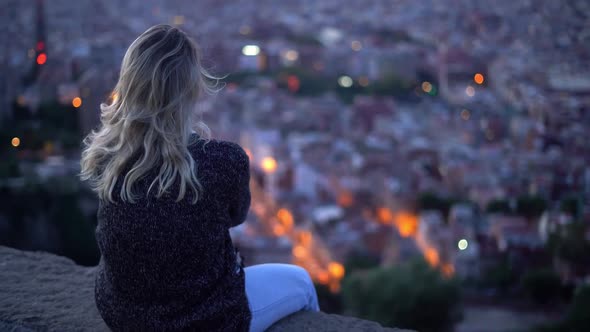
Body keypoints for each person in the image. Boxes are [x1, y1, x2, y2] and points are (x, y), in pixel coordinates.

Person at [80, 24, 319, 332]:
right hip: (204, 318)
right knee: (301, 281)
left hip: (123, 315)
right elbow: (236, 216)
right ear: (191, 89)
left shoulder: (109, 155)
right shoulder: (223, 160)